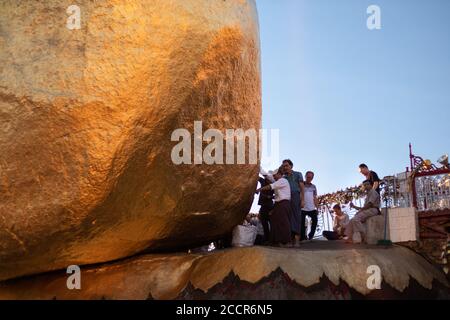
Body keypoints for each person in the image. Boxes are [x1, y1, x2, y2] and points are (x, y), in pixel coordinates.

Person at [256, 168, 292, 247]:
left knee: (284, 223)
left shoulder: (283, 181)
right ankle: (277, 241)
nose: (274, 177)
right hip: (278, 204)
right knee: (275, 222)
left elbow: (271, 186)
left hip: (283, 204)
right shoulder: (278, 182)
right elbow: (277, 196)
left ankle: (287, 242)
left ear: (279, 174)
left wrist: (260, 189)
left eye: (275, 176)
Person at [281, 159, 305, 247]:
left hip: (296, 197)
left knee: (297, 217)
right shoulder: (283, 178)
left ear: (291, 166)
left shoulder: (298, 174)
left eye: (286, 165)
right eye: (284, 166)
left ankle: (297, 240)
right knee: (289, 218)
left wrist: (302, 200)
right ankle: (290, 241)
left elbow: (302, 188)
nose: (285, 167)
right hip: (287, 198)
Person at [301, 171, 319, 241]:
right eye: (308, 177)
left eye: (311, 177)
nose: (309, 178)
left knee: (315, 221)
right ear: (305, 176)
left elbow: (315, 197)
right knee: (301, 223)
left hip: (312, 208)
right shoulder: (301, 184)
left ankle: (310, 236)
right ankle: (302, 237)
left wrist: (317, 207)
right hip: (302, 208)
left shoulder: (314, 186)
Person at [257, 174, 274, 244]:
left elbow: (277, 194)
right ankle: (267, 238)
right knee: (264, 222)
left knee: (271, 223)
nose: (268, 180)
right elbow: (257, 177)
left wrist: (270, 197)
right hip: (263, 205)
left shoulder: (274, 184)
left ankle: (272, 239)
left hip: (270, 205)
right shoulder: (263, 181)